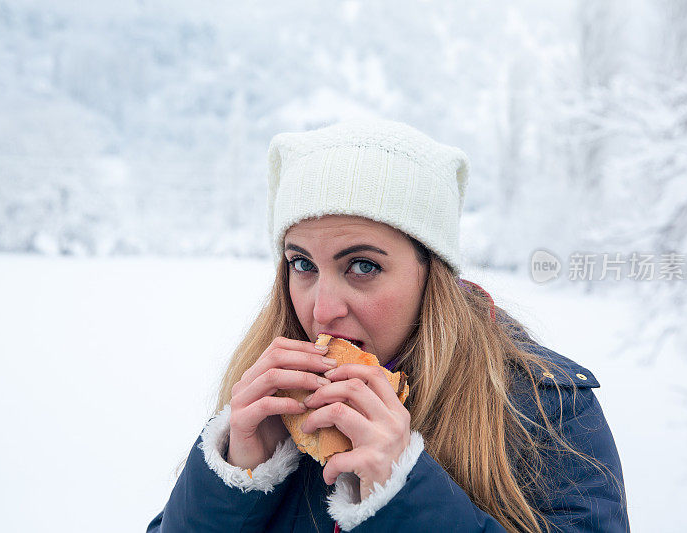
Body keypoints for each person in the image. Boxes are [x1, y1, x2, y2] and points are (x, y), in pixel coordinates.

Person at [146, 119, 629, 532]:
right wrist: (235, 479)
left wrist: (403, 492)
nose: (321, 309)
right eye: (302, 265)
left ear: (431, 275)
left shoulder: (546, 410)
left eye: (362, 266)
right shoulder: (269, 410)